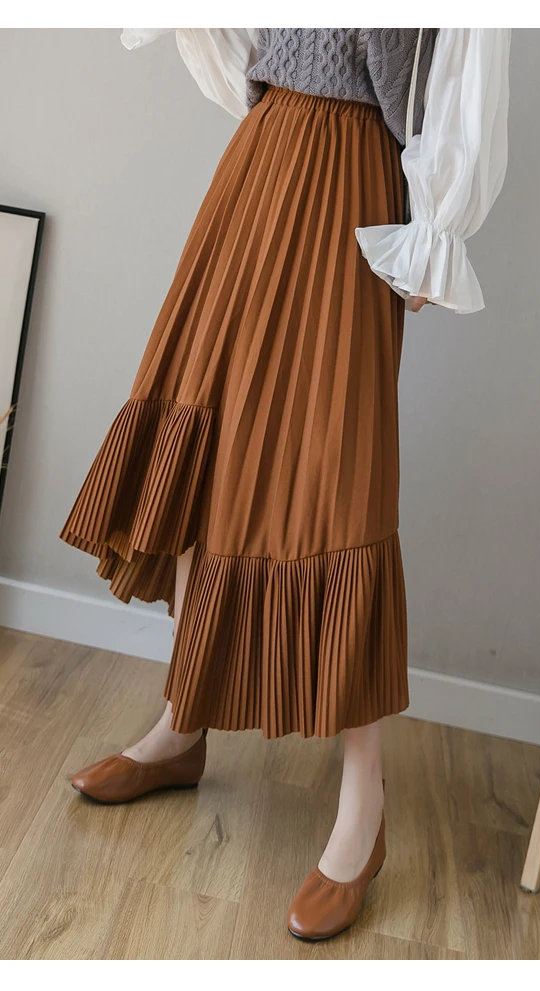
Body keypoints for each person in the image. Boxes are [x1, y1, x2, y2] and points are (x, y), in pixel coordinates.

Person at [59, 27, 512, 941]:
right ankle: (182, 724)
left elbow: (458, 59)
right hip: (260, 160)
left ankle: (362, 807)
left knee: (335, 475)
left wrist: (435, 222)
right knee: (206, 433)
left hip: (351, 181)